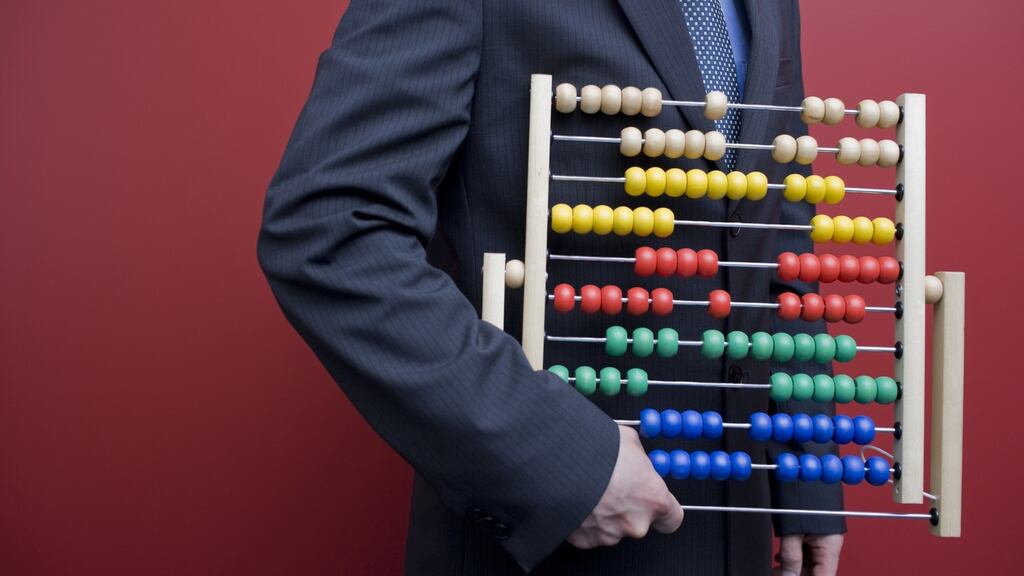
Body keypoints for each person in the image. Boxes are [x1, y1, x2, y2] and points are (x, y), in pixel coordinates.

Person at [258, 0, 845, 574]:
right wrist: (560, 461)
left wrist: (804, 457)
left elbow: (775, 214)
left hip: (741, 523)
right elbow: (333, 228)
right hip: (553, 537)